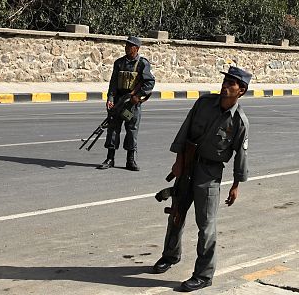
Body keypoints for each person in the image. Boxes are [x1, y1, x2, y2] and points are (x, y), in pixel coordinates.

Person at [152, 66, 251, 292]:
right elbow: (185, 131)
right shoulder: (204, 104)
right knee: (176, 214)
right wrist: (178, 162)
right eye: (225, 81)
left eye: (231, 84)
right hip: (187, 166)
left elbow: (241, 155)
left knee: (206, 227)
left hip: (209, 175)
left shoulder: (239, 122)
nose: (225, 86)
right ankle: (170, 256)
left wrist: (235, 185)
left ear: (241, 90)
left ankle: (204, 275)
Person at [97, 36, 155, 171]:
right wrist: (110, 99)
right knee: (113, 129)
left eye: (130, 46)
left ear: (137, 48)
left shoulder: (142, 64)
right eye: (126, 45)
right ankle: (110, 158)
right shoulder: (119, 63)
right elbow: (113, 83)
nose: (127, 48)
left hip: (131, 104)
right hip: (119, 102)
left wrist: (138, 96)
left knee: (131, 130)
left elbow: (149, 82)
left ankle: (130, 160)